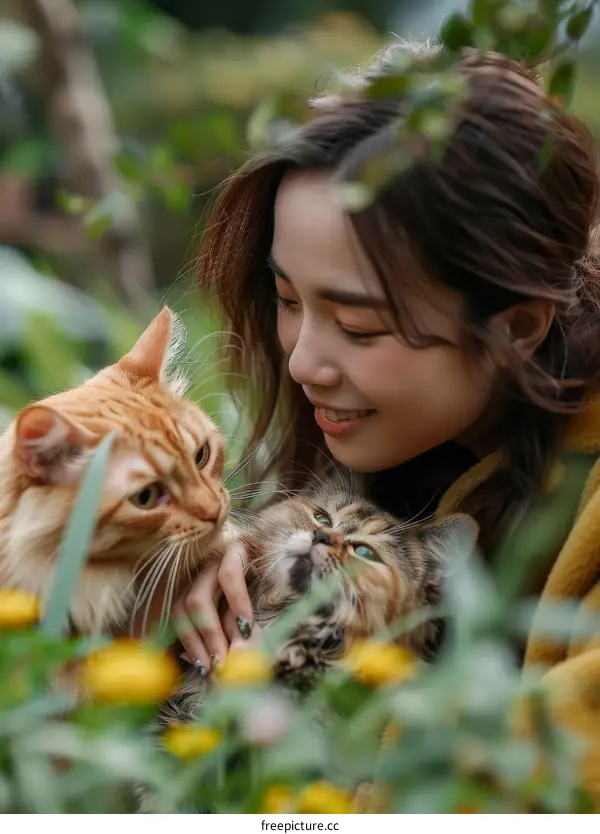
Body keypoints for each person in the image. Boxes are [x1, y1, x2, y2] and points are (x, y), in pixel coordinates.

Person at [174, 43, 600, 801]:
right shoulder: (417, 452)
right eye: (288, 300)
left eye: (360, 327)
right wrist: (205, 562)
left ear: (517, 326)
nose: (303, 363)